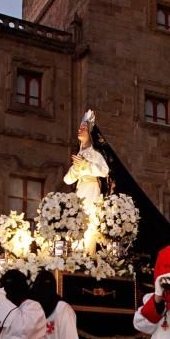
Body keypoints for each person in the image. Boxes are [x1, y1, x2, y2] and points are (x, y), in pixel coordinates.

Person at [63, 109, 110, 254]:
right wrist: (77, 169)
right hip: (80, 190)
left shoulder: (95, 154)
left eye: (83, 128)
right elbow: (67, 179)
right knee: (77, 219)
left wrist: (86, 166)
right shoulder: (79, 154)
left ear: (89, 133)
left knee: (88, 221)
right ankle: (77, 253)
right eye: (79, 128)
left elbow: (104, 171)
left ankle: (87, 254)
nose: (79, 130)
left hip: (91, 189)